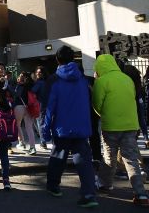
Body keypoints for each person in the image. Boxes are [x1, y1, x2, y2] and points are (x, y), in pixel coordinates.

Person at [43, 45, 98, 207]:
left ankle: (53, 186)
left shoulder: (54, 80)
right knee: (84, 162)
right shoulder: (83, 78)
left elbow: (48, 108)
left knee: (58, 158)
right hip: (82, 127)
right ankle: (89, 194)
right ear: (73, 59)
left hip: (62, 128)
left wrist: (45, 130)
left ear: (57, 59)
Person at [92, 54, 148, 206]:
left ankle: (105, 184)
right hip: (131, 125)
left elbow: (97, 104)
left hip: (111, 126)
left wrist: (103, 114)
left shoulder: (101, 81)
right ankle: (141, 194)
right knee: (131, 159)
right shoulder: (127, 79)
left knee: (109, 157)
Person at [14, 71, 37, 155]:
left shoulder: (20, 85)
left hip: (19, 107)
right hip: (29, 107)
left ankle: (22, 142)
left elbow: (16, 94)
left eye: (20, 75)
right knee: (29, 128)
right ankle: (32, 147)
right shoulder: (31, 85)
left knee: (17, 125)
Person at [31, 66, 48, 150]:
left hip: (40, 106)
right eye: (37, 72)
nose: (38, 73)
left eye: (40, 72)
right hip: (47, 105)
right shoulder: (46, 82)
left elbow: (32, 91)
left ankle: (43, 142)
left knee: (40, 124)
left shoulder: (39, 83)